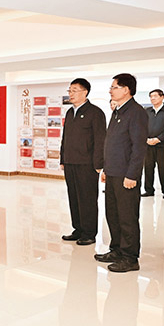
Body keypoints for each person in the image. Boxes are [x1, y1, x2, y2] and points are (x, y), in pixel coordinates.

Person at [95, 73, 148, 273]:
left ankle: (130, 258)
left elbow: (138, 147)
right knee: (113, 214)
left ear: (126, 89)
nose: (110, 90)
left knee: (127, 217)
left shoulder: (136, 112)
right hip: (113, 172)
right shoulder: (118, 111)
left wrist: (132, 175)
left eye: (114, 87)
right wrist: (106, 169)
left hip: (127, 175)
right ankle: (116, 250)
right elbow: (113, 144)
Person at [60, 78, 106, 246]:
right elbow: (65, 138)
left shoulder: (95, 112)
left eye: (74, 90)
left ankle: (89, 233)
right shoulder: (69, 112)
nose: (70, 94)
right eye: (69, 90)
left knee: (87, 198)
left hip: (87, 164)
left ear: (85, 92)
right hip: (70, 162)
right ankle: (78, 229)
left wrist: (99, 164)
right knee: (73, 197)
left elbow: (100, 139)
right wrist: (63, 158)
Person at [142, 89, 164, 199]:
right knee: (148, 168)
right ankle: (149, 190)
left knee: (163, 169)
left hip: (162, 145)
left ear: (162, 97)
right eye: (151, 96)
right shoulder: (147, 111)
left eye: (155, 96)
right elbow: (142, 126)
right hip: (148, 144)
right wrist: (146, 139)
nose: (152, 98)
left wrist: (159, 139)